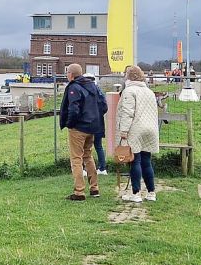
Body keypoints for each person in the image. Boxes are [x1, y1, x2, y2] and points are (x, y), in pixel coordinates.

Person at [59, 63, 108, 201]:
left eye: (67, 72)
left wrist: (70, 124)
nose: (67, 75)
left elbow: (73, 109)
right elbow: (104, 105)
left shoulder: (73, 87)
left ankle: (79, 192)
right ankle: (94, 188)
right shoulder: (93, 85)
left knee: (76, 158)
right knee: (88, 156)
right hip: (92, 127)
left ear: (71, 74)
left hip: (78, 128)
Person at [117, 65, 160, 203]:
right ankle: (151, 192)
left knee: (135, 161)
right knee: (147, 161)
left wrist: (123, 131)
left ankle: (135, 193)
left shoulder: (129, 91)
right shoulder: (149, 91)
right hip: (150, 129)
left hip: (136, 129)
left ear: (128, 77)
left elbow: (127, 113)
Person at [83, 72, 108, 175]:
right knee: (98, 146)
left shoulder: (82, 91)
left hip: (86, 123)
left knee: (84, 147)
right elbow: (105, 107)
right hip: (98, 123)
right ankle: (102, 168)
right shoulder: (99, 92)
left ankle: (83, 169)